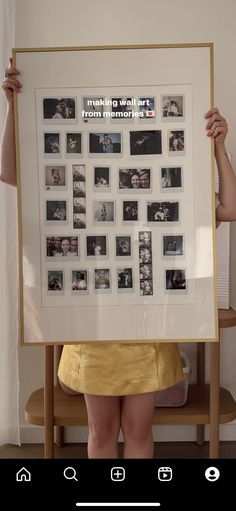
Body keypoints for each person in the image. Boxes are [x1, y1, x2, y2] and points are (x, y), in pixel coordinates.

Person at [2, 63, 236, 460]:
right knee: (101, 430)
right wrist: (13, 106)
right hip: (93, 330)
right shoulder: (83, 185)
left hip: (148, 331)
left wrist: (217, 146)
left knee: (139, 431)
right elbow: (10, 170)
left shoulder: (168, 194)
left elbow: (229, 207)